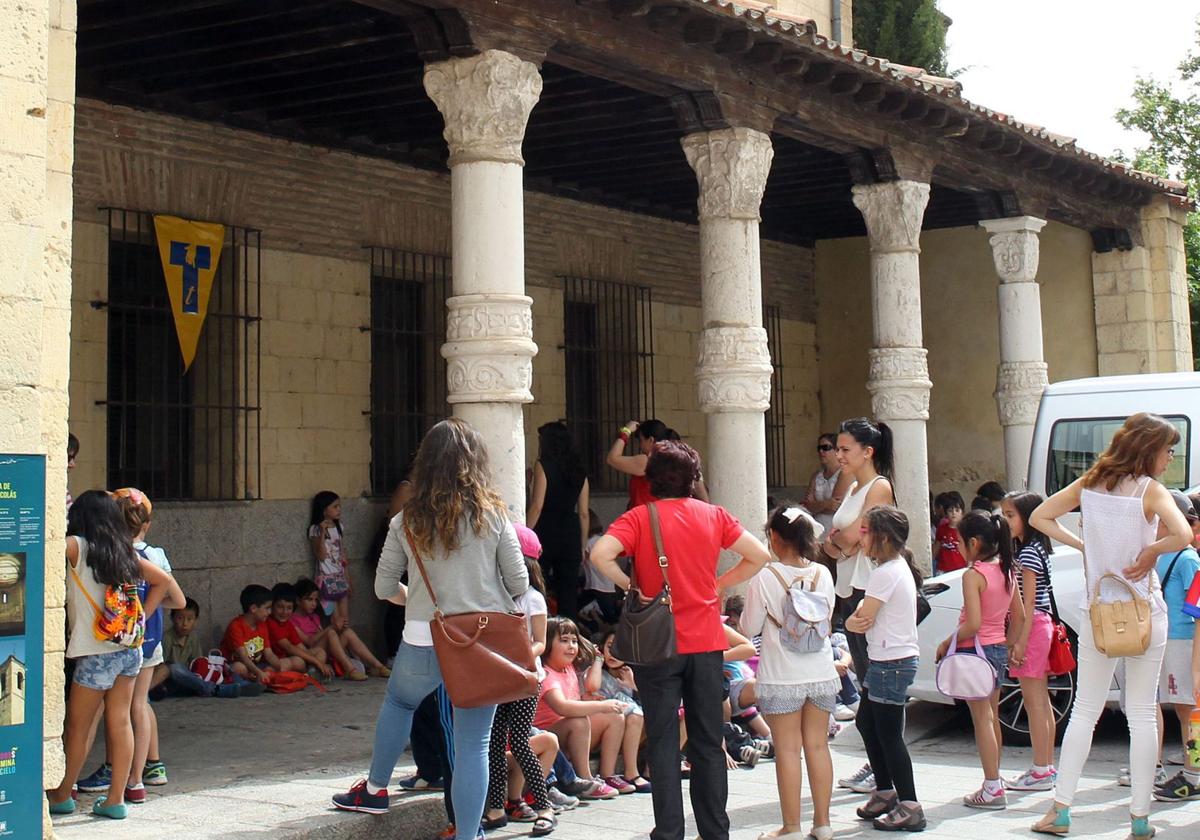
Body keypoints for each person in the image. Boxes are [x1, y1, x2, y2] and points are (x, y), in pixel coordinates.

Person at [332, 417, 530, 840]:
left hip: (424, 632)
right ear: (474, 463)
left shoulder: (406, 520)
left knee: (400, 704)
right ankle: (467, 834)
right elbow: (519, 583)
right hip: (480, 641)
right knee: (473, 743)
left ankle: (374, 788)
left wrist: (418, 601)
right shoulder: (494, 515)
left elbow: (384, 586)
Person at [589, 439, 772, 840]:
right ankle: (714, 831)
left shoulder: (641, 517)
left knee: (663, 741)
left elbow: (600, 555)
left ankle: (669, 832)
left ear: (652, 478)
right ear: (694, 478)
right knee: (708, 740)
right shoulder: (714, 515)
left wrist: (632, 587)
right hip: (706, 641)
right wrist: (719, 583)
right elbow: (759, 555)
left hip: (657, 645)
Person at [1028, 412, 1191, 838]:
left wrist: (1084, 545)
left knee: (1085, 710)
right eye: (1167, 449)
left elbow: (1040, 517)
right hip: (1144, 612)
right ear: (1148, 449)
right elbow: (1183, 535)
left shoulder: (1090, 485)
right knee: (1141, 714)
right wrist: (1150, 552)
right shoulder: (1151, 492)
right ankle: (1139, 819)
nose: (1170, 457)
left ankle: (1060, 809)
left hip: (1099, 612)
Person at [47, 490, 178, 820]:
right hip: (129, 649)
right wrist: (143, 618)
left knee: (77, 726)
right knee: (120, 721)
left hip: (95, 653)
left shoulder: (77, 545)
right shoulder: (123, 549)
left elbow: (45, 552)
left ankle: (63, 793)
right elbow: (164, 582)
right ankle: (116, 799)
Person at [740, 505, 838, 840]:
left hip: (782, 674)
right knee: (818, 747)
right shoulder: (822, 574)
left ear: (776, 538)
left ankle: (792, 826)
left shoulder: (765, 576)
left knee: (787, 750)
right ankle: (823, 824)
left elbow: (749, 625)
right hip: (822, 670)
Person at [822, 417, 895, 795]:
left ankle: (882, 766)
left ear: (868, 452)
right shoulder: (853, 488)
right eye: (838, 448)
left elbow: (851, 539)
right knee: (866, 679)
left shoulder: (878, 487)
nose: (839, 455)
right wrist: (839, 543)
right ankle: (878, 762)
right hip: (849, 588)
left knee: (873, 682)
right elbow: (835, 541)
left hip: (869, 590)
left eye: (845, 449)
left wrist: (838, 542)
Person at [844, 506, 926, 831]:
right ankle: (885, 791)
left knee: (889, 735)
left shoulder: (885, 573)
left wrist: (855, 618)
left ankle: (910, 804)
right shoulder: (892, 568)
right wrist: (858, 615)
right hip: (886, 661)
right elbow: (862, 615)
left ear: (882, 537)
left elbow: (860, 621)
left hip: (891, 662)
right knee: (867, 723)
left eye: (865, 530)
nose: (859, 536)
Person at [936, 511, 1024, 810]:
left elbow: (972, 623)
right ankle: (994, 780)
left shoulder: (973, 575)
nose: (958, 547)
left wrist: (948, 642)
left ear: (973, 543)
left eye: (959, 542)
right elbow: (1020, 617)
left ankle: (991, 787)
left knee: (982, 720)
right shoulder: (1007, 570)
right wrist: (1008, 645)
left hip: (976, 651)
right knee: (991, 717)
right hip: (996, 648)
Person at [483, 525, 558, 835]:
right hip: (498, 678)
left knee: (522, 742)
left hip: (526, 678)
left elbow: (541, 642)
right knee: (495, 744)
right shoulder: (493, 594)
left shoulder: (533, 599)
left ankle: (544, 807)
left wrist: (522, 656)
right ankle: (496, 807)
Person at [1002, 491, 1060, 794]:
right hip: (1043, 625)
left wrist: (1019, 642)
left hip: (1033, 627)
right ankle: (1046, 767)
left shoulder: (1026, 554)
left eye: (1010, 515)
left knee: (1035, 702)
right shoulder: (1038, 549)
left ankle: (1040, 770)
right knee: (1042, 702)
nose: (1005, 521)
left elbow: (1026, 605)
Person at [534, 618, 626, 798]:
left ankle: (607, 775)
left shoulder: (568, 668)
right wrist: (601, 705)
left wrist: (593, 702)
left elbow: (589, 651)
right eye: (564, 640)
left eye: (574, 641)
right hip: (549, 736)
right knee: (579, 721)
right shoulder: (545, 673)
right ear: (547, 643)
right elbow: (563, 707)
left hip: (569, 736)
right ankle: (585, 777)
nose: (571, 646)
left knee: (615, 717)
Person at [1152, 491, 1200, 802]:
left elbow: (1197, 612)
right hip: (1172, 641)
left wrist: (1196, 664)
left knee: (1190, 710)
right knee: (1186, 710)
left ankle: (1194, 775)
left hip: (1184, 643)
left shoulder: (1189, 558)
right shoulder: (1164, 554)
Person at [528, 421, 589, 619]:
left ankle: (542, 633)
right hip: (570, 531)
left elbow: (537, 506)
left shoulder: (543, 465)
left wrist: (525, 533)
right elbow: (584, 512)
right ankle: (569, 634)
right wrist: (583, 543)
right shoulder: (579, 470)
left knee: (539, 585)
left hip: (545, 530)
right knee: (569, 589)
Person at [587, 632, 651, 792]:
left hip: (629, 732)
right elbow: (593, 687)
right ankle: (628, 772)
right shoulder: (596, 671)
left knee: (641, 714)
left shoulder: (631, 673)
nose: (614, 652)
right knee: (630, 714)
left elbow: (650, 705)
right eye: (609, 647)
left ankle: (636, 770)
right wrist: (598, 659)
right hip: (600, 731)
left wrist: (633, 685)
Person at [291, 577, 387, 680]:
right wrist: (332, 627)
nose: (314, 604)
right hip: (313, 654)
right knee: (330, 633)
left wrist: (339, 627)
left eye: (315, 600)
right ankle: (350, 670)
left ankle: (378, 666)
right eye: (309, 600)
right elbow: (309, 642)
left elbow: (321, 635)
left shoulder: (314, 617)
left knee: (347, 632)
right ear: (298, 601)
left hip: (327, 651)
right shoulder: (292, 621)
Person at [221, 585, 303, 681]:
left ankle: (263, 678)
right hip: (241, 665)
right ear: (253, 608)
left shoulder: (262, 624)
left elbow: (269, 654)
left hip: (258, 666)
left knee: (297, 661)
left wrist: (278, 666)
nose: (269, 612)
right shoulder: (236, 626)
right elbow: (243, 656)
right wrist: (259, 672)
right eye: (267, 608)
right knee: (238, 667)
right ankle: (257, 679)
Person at [267, 582, 333, 679]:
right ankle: (267, 675)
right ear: (272, 606)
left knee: (319, 652)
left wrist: (315, 660)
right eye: (280, 607)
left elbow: (301, 648)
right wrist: (317, 662)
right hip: (274, 661)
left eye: (289, 608)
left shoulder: (288, 624)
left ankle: (313, 672)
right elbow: (289, 647)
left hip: (289, 658)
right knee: (298, 661)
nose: (284, 612)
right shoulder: (270, 622)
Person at [606, 418, 670, 510]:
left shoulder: (646, 461)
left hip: (645, 516)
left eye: (641, 440)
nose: (640, 446)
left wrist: (626, 431)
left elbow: (612, 459)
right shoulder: (669, 459)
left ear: (651, 440)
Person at [309, 490, 352, 627]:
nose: (339, 509)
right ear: (324, 510)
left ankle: (344, 645)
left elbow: (342, 555)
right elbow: (320, 556)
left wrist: (348, 579)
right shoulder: (315, 529)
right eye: (335, 506)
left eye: (339, 506)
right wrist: (322, 532)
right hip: (326, 579)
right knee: (335, 621)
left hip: (340, 576)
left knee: (344, 620)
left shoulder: (339, 527)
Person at [803, 434, 853, 535]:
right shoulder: (816, 476)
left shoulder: (845, 474)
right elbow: (807, 506)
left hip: (835, 530)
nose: (821, 451)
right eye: (819, 448)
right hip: (816, 529)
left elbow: (835, 507)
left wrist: (815, 505)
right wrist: (826, 504)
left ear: (836, 450)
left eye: (825, 447)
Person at [932, 492, 966, 575]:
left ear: (962, 512)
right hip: (943, 570)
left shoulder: (966, 529)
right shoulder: (942, 528)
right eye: (950, 510)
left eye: (957, 510)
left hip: (961, 569)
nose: (954, 513)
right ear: (946, 512)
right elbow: (937, 546)